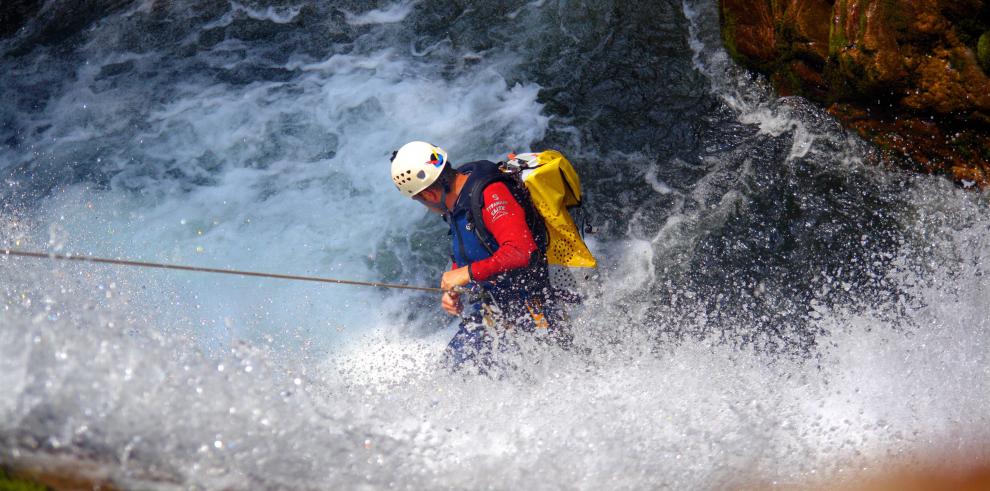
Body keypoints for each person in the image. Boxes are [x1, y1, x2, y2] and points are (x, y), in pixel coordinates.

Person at [390, 141, 570, 370]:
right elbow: (474, 245)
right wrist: (455, 280)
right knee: (449, 374)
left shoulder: (490, 193)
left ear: (430, 194)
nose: (425, 207)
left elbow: (521, 251)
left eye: (421, 201)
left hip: (532, 309)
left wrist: (467, 273)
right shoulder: (456, 200)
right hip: (493, 309)